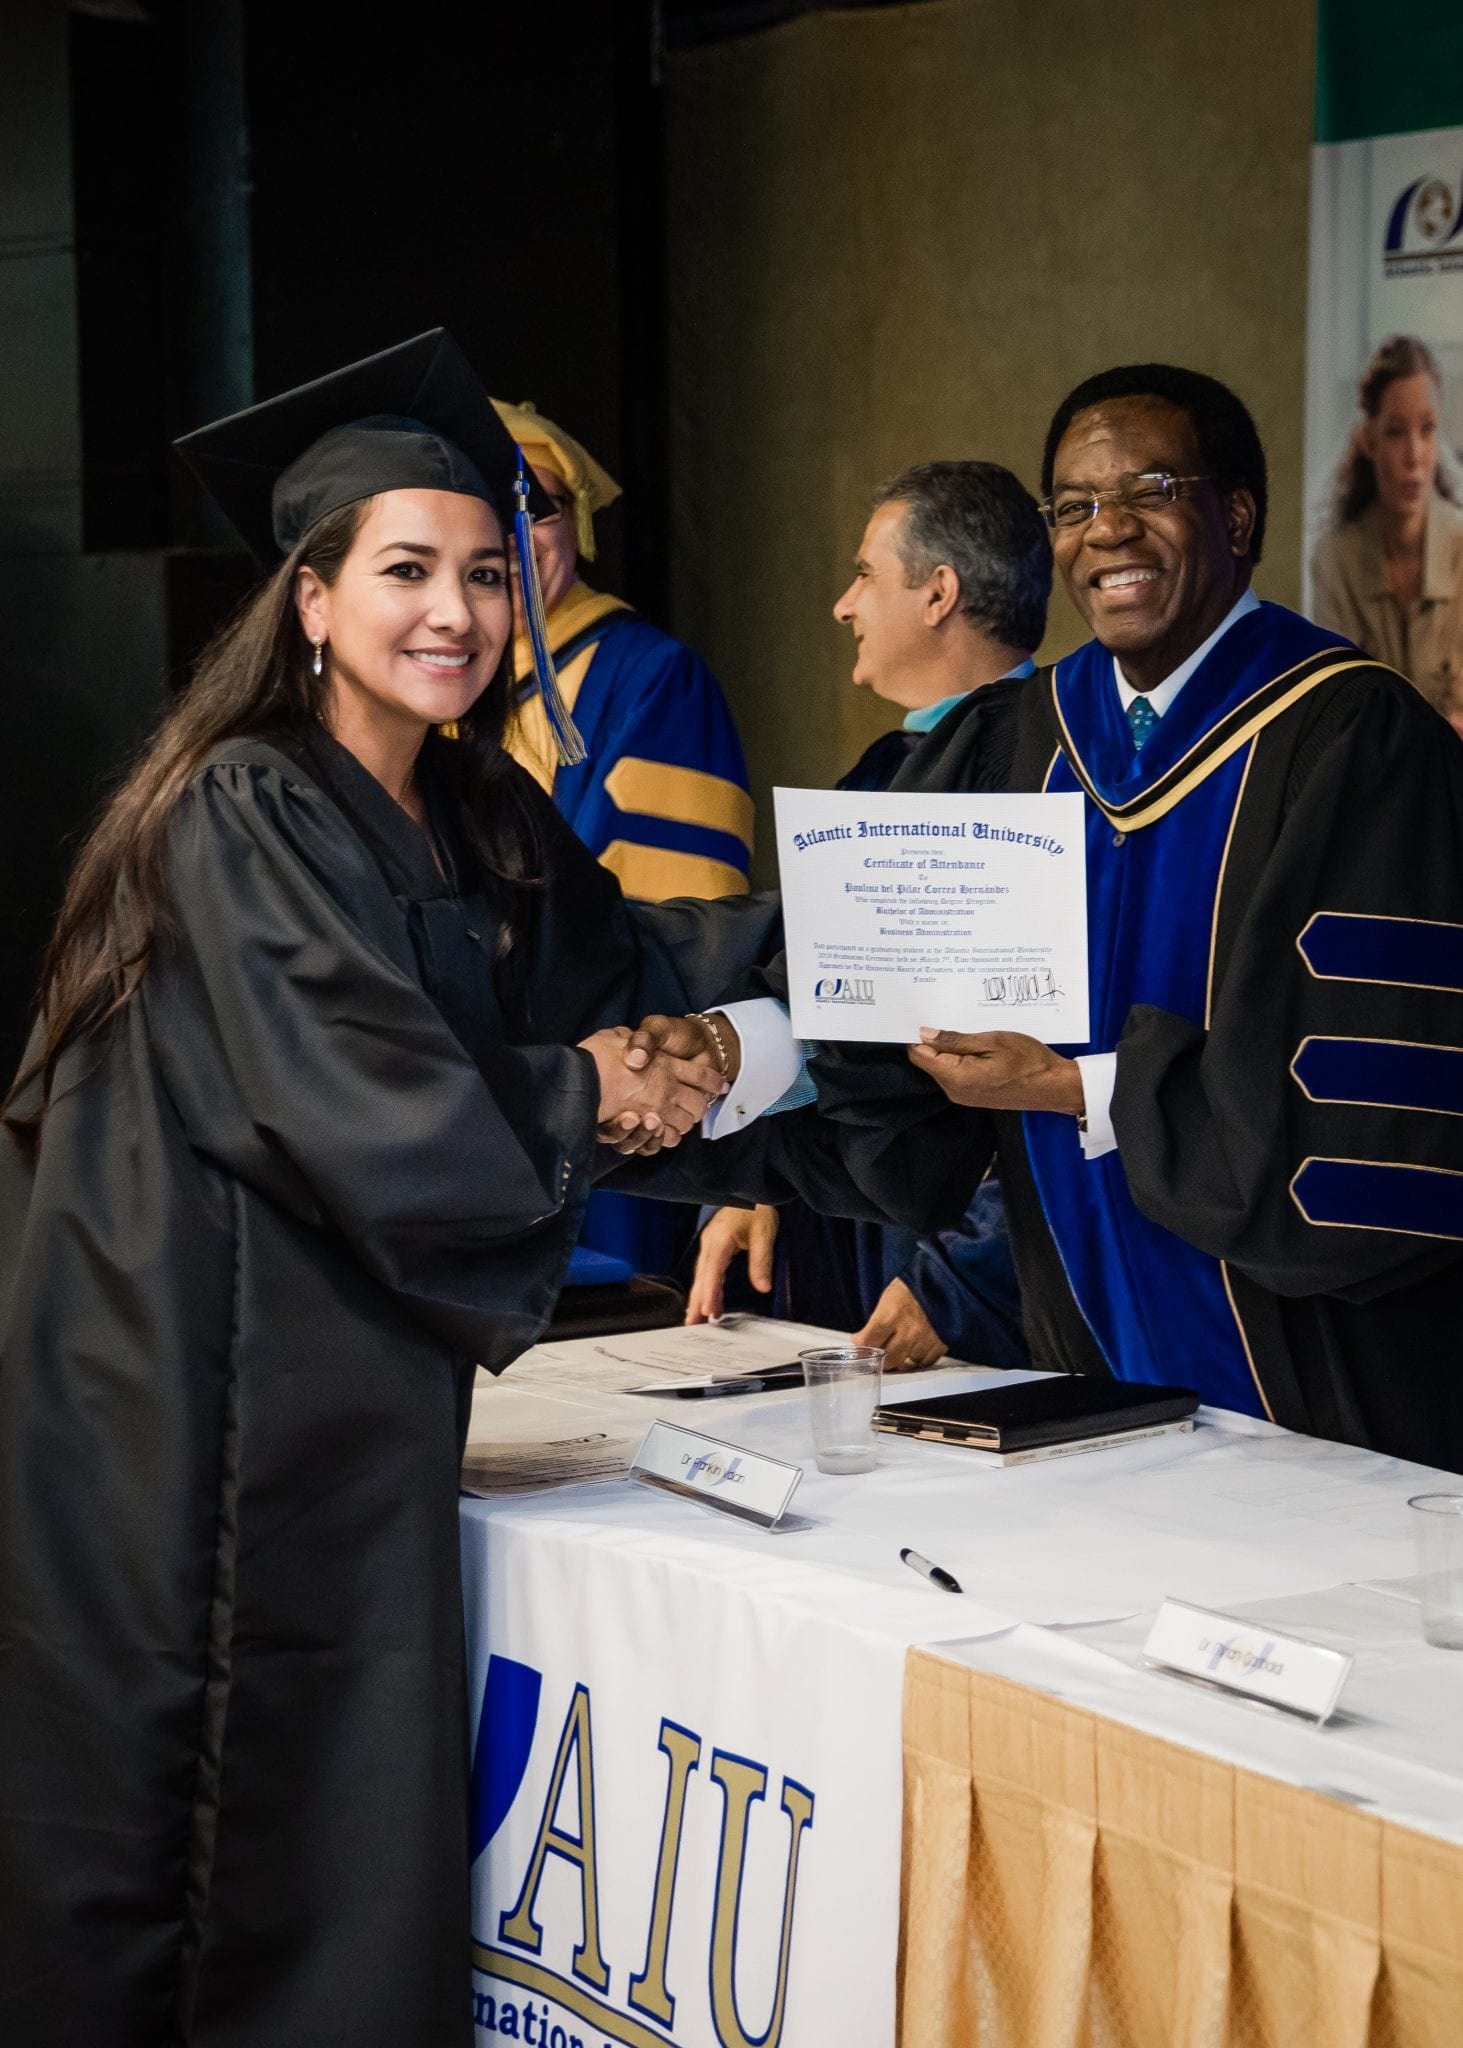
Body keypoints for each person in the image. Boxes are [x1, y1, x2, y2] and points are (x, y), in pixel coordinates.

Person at [0, 331, 791, 2048]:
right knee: (211, 1838)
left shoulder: (473, 806)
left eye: (487, 575)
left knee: (327, 1828)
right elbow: (362, 1092)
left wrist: (786, 1013)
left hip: (329, 1389)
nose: (455, 613)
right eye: (407, 571)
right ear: (310, 597)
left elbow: (630, 964)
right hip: (194, 1399)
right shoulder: (237, 808)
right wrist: (597, 1083)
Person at [886, 363, 1463, 1468]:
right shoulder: (1020, 738)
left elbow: (1372, 1116)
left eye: (1148, 490)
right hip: (1085, 1371)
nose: (1106, 529)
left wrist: (1075, 1088)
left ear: (1234, 517)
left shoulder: (1355, 739)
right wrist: (737, 1053)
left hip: (1321, 1394)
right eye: (1073, 505)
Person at [687, 462, 1042, 1373]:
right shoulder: (909, 760)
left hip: (959, 1250)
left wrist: (965, 1279)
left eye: (863, 575)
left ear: (937, 593)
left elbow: (1038, 1073)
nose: (843, 605)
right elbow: (840, 1012)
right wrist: (760, 1176)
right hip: (867, 1218)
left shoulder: (1030, 772)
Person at [492, 397, 754, 1276]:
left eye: (540, 507)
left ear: (579, 525)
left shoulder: (647, 676)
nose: (515, 534)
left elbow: (677, 925)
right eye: (492, 508)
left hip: (613, 1093)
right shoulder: (443, 687)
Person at [1310, 335, 1463, 733]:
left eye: (1427, 430)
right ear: (1369, 439)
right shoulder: (1335, 561)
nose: (1414, 456)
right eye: (1395, 432)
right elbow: (1335, 713)